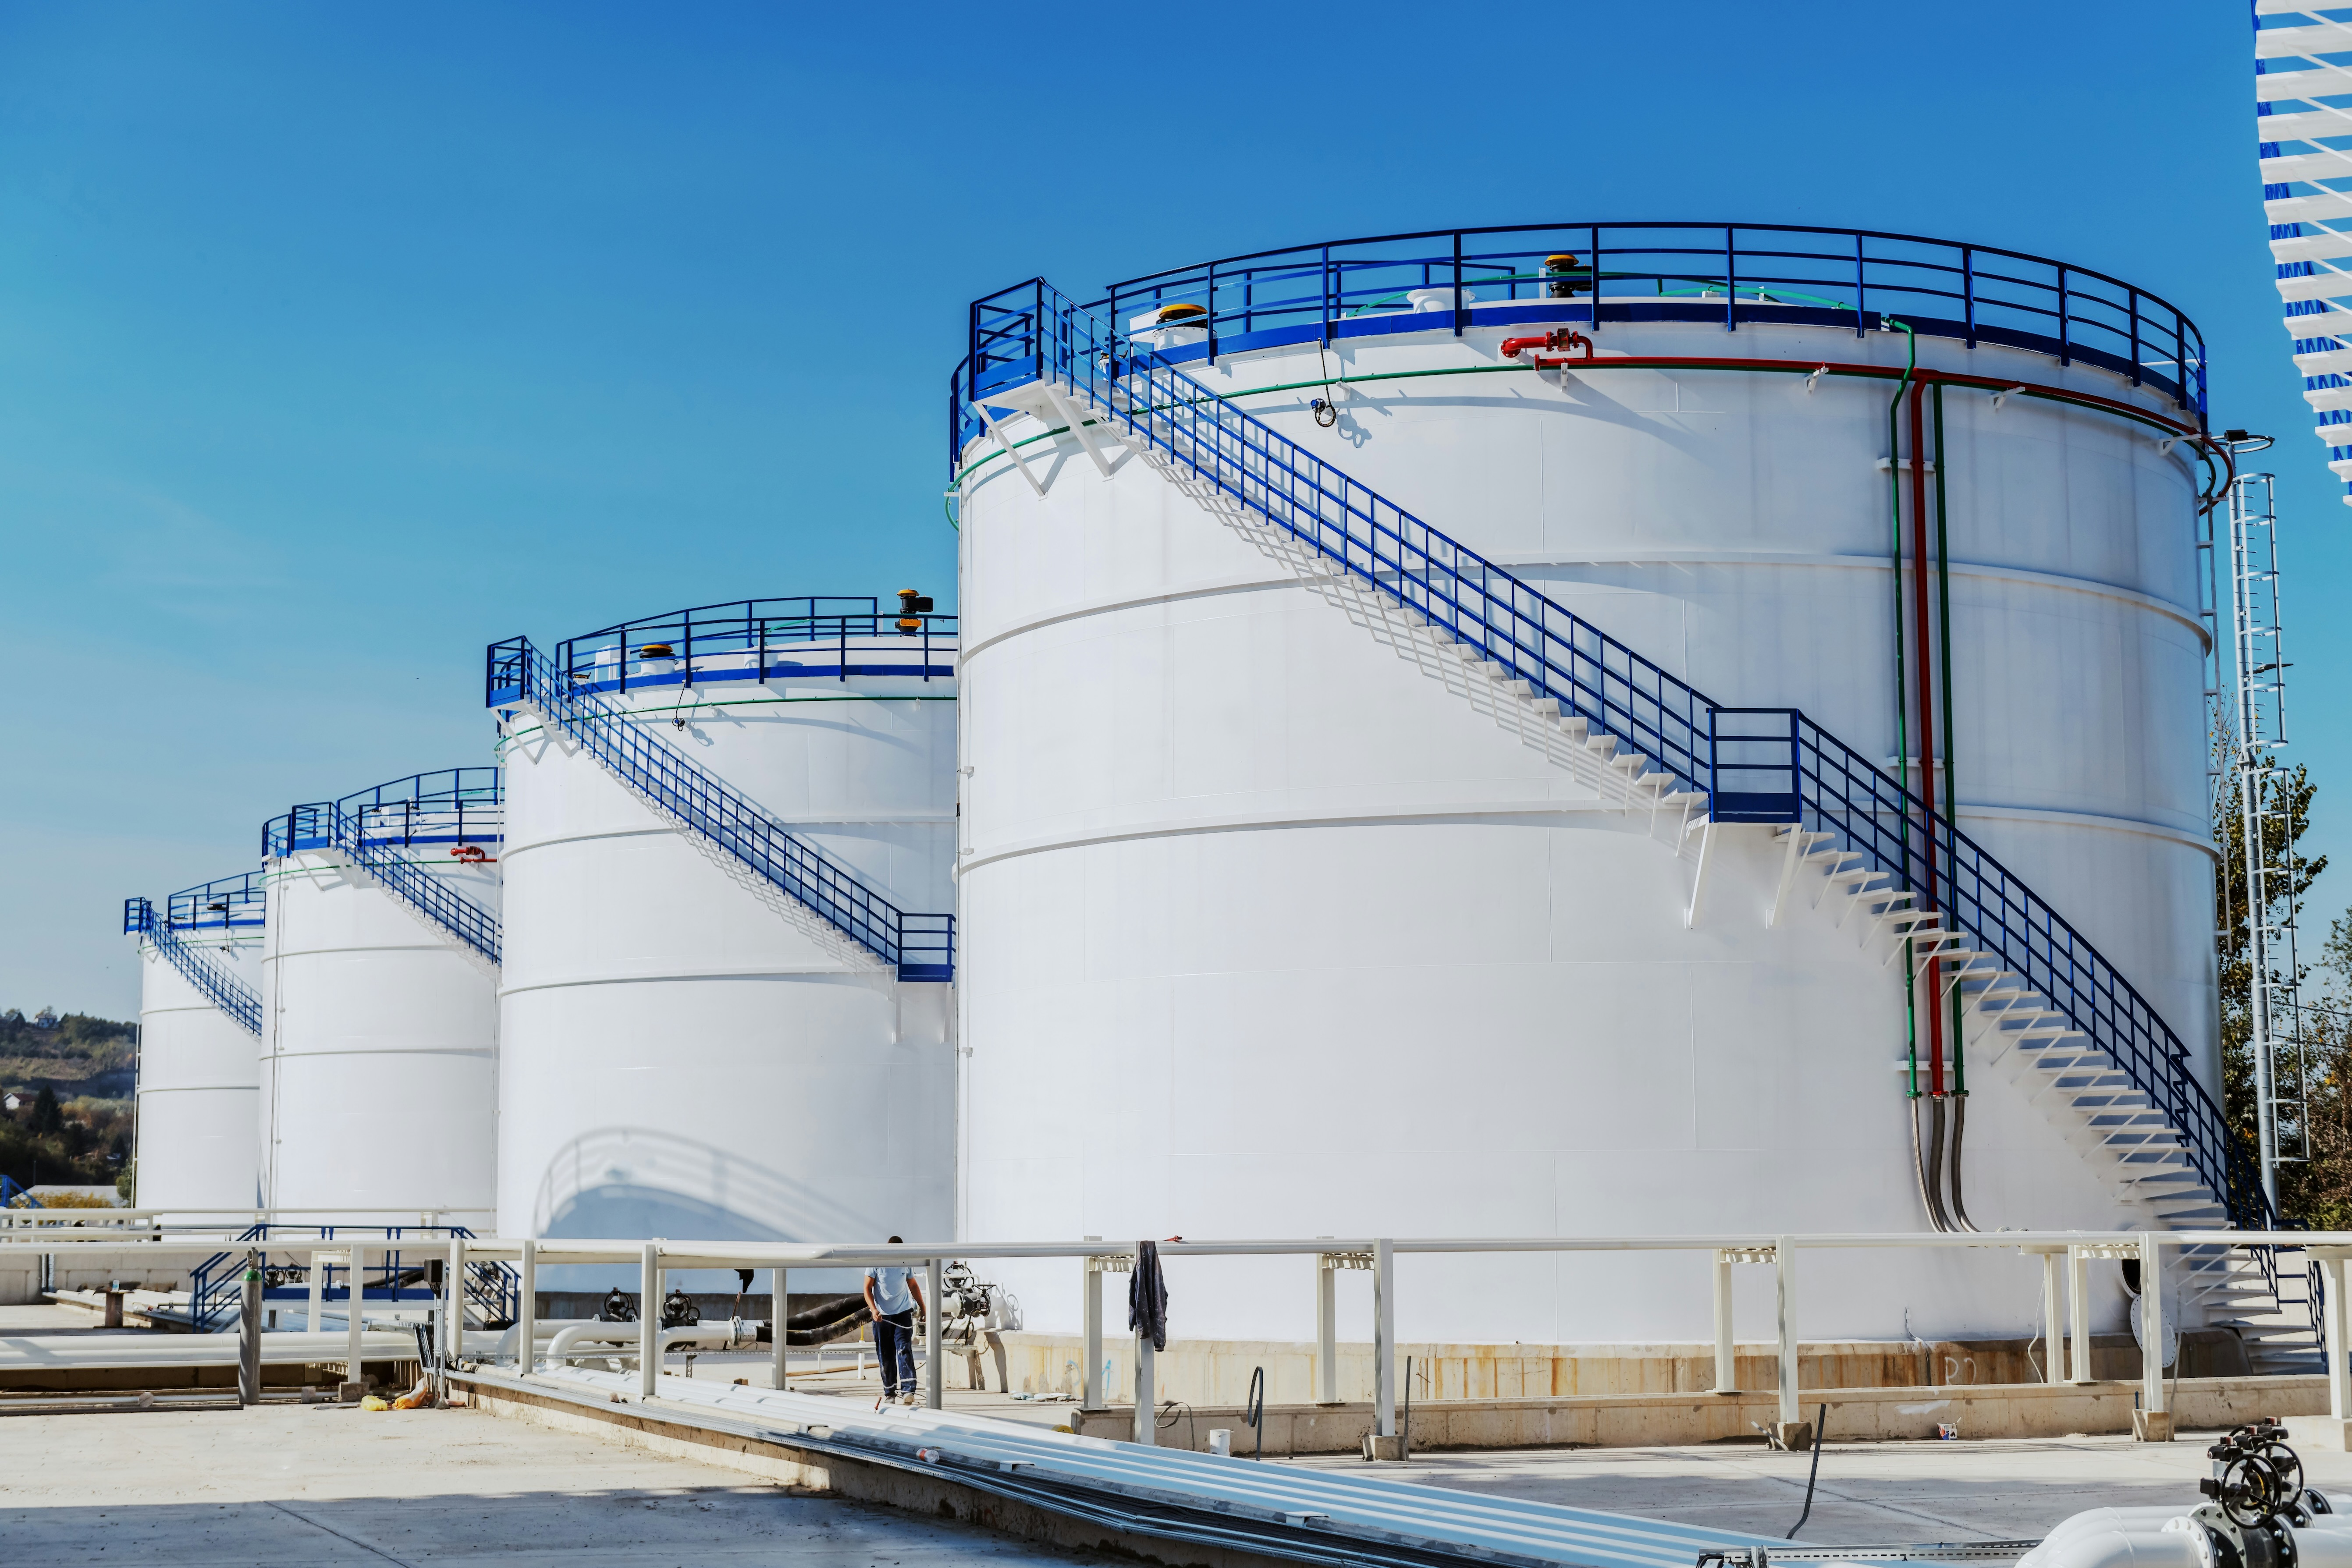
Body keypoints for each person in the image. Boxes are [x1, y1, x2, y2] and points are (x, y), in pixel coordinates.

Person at [864, 1238, 927, 1405]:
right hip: (882, 1316)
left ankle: (908, 1391)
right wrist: (873, 1309)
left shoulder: (905, 1263)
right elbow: (867, 1288)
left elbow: (913, 1285)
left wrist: (923, 1307)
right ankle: (890, 1393)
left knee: (904, 1350)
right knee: (885, 1354)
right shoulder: (876, 1263)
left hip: (903, 1313)